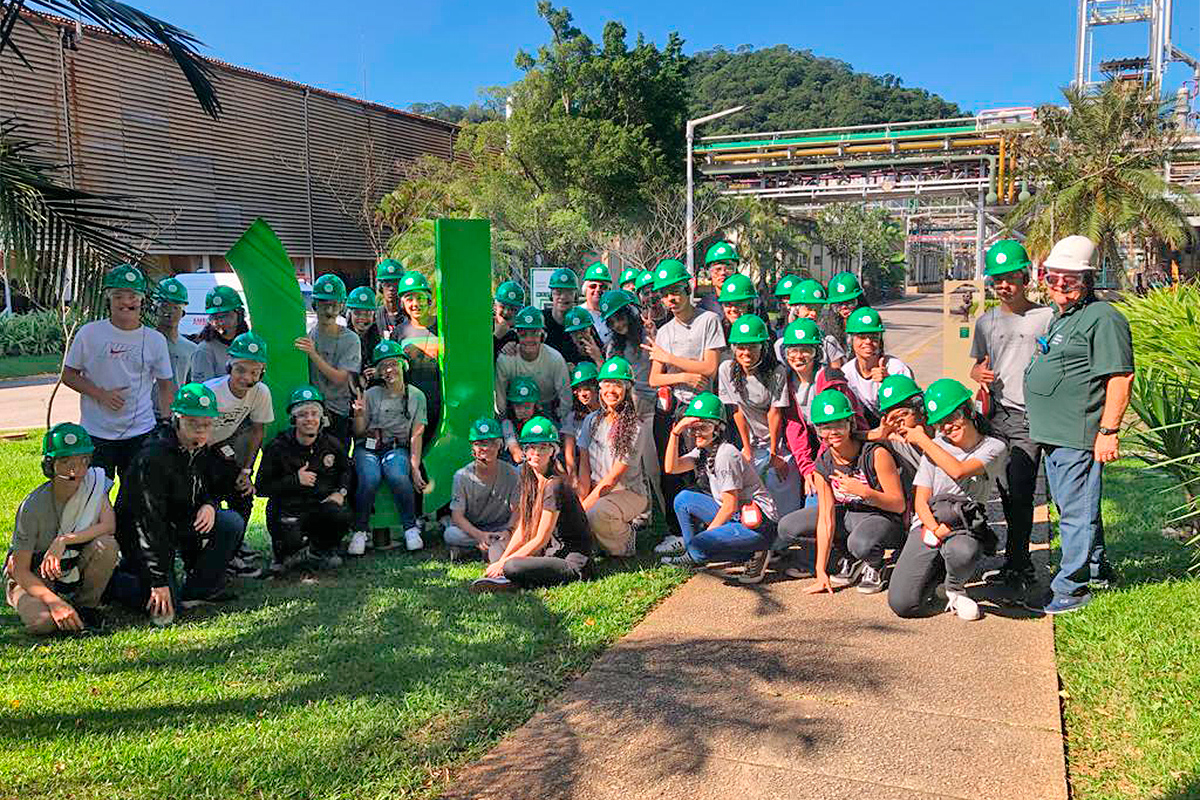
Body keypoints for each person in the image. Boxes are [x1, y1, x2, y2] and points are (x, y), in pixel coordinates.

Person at [1023, 235, 1132, 615]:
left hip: (1077, 434)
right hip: (1055, 434)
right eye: (1052, 278)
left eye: (1068, 280)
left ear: (1088, 280)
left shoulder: (1103, 318)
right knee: (1078, 506)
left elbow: (1120, 377)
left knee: (1075, 514)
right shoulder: (1064, 316)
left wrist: (1108, 432)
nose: (1059, 286)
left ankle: (1071, 587)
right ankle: (1097, 570)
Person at [110, 383, 244, 626]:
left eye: (206, 424)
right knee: (166, 613)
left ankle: (200, 589)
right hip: (143, 535)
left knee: (230, 522)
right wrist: (158, 580)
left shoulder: (201, 449)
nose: (200, 431)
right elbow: (148, 524)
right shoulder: (154, 457)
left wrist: (209, 504)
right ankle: (114, 581)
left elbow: (212, 485)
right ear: (177, 419)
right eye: (193, 423)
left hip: (177, 523)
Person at [970, 240, 1055, 594]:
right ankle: (1008, 557)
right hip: (996, 416)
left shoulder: (1047, 318)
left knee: (1020, 492)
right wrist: (977, 374)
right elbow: (978, 365)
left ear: (1025, 278)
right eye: (997, 280)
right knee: (998, 490)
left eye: (1011, 278)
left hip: (1030, 416)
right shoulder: (985, 322)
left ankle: (1019, 563)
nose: (1004, 286)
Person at [887, 379, 1008, 621]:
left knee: (963, 551)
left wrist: (923, 440)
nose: (947, 426)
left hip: (963, 524)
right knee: (902, 604)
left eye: (953, 416)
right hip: (930, 522)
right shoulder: (936, 445)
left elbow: (958, 470)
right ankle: (937, 576)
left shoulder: (994, 446)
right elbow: (921, 500)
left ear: (968, 410)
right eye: (940, 422)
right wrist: (934, 528)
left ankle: (954, 587)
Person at [777, 390, 906, 594]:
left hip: (883, 518)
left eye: (839, 424)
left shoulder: (875, 454)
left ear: (850, 423)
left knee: (860, 544)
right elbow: (825, 519)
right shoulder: (823, 463)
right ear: (817, 431)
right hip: (850, 515)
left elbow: (898, 504)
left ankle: (875, 564)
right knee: (788, 527)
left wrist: (864, 492)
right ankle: (850, 557)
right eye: (825, 427)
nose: (833, 432)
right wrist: (820, 571)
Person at [62, 264, 174, 481]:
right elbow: (68, 375)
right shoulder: (89, 333)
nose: (126, 302)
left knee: (138, 494)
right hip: (96, 432)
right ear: (108, 299)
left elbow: (165, 385)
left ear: (142, 300)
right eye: (118, 296)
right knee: (95, 492)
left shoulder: (155, 340)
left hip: (141, 432)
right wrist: (101, 394)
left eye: (132, 296)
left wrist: (167, 422)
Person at [645, 259, 727, 554]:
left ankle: (708, 527)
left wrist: (670, 359)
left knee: (703, 470)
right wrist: (683, 376)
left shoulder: (709, 320)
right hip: (675, 408)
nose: (671, 298)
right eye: (665, 294)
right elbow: (654, 378)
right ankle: (676, 530)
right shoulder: (665, 331)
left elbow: (710, 367)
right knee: (671, 471)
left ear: (687, 288)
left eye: (676, 291)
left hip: (705, 410)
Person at [4, 424, 117, 635]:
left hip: (72, 563)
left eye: (84, 460)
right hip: (33, 574)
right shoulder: (32, 507)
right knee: (42, 624)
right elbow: (19, 570)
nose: (77, 470)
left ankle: (85, 606)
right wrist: (54, 602)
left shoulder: (93, 486)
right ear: (50, 465)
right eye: (66, 462)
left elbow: (109, 526)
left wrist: (63, 540)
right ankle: (59, 605)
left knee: (107, 545)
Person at [660, 392, 781, 584]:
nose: (697, 433)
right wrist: (675, 433)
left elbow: (730, 506)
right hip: (736, 516)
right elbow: (671, 468)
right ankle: (694, 555)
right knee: (683, 499)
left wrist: (708, 535)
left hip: (758, 524)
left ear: (718, 429)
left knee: (701, 546)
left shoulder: (726, 454)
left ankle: (756, 552)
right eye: (693, 428)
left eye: (704, 427)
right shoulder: (704, 451)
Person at [472, 417, 593, 592]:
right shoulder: (529, 479)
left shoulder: (555, 485)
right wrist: (502, 559)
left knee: (512, 565)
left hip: (569, 560)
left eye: (543, 447)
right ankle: (507, 578)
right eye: (531, 447)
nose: (536, 452)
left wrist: (504, 563)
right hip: (548, 552)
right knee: (497, 547)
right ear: (524, 451)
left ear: (553, 451)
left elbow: (541, 538)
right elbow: (523, 528)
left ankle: (510, 578)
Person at [255, 386, 354, 574]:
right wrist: (295, 480)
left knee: (340, 513)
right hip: (288, 509)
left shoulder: (331, 444)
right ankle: (288, 553)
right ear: (294, 419)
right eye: (302, 415)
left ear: (321, 418)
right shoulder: (277, 447)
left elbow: (347, 470)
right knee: (290, 545)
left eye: (314, 414)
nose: (309, 419)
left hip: (319, 506)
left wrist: (341, 492)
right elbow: (260, 487)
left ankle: (320, 550)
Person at [201, 331, 272, 578]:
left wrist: (246, 470)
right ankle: (205, 554)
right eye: (241, 370)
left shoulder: (261, 392)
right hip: (196, 451)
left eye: (254, 372)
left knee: (243, 494)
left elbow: (257, 431)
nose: (247, 378)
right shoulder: (210, 391)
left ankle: (232, 551)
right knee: (207, 497)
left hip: (220, 448)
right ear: (230, 364)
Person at [719, 314, 805, 516]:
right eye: (741, 347)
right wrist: (747, 448)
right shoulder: (726, 370)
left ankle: (785, 525)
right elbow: (738, 410)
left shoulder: (776, 371)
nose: (746, 353)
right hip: (750, 439)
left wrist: (775, 453)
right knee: (746, 483)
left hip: (778, 438)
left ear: (763, 347)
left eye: (752, 347)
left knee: (781, 477)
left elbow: (775, 412)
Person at [775, 319, 870, 500]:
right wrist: (806, 468)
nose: (798, 356)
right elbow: (795, 427)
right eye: (792, 350)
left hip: (845, 441)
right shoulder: (788, 382)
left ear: (817, 353)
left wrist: (818, 468)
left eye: (806, 350)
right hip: (818, 442)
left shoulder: (830, 380)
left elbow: (837, 428)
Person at [350, 340, 428, 554]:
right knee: (369, 478)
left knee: (398, 476)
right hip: (368, 448)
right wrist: (358, 415)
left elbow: (417, 434)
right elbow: (359, 432)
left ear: (403, 364)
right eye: (383, 366)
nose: (388, 370)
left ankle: (410, 527)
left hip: (396, 447)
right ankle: (360, 530)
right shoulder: (371, 394)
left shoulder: (417, 396)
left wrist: (414, 467)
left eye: (393, 364)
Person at [577, 357, 652, 557]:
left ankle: (625, 542)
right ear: (600, 388)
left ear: (627, 389)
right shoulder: (590, 420)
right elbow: (584, 466)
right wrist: (580, 501)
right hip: (597, 491)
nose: (611, 390)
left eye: (617, 385)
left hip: (628, 493)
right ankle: (597, 540)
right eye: (607, 384)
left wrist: (582, 511)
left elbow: (613, 478)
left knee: (597, 513)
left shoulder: (635, 427)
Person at [601, 289, 663, 522]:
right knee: (631, 468)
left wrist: (655, 336)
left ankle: (664, 517)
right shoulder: (613, 347)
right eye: (612, 321)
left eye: (621, 317)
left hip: (652, 407)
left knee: (653, 467)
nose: (618, 324)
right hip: (627, 411)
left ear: (630, 312)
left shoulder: (648, 335)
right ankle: (642, 515)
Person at [295, 274, 360, 450]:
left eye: (334, 305)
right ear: (314, 305)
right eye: (324, 304)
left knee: (336, 460)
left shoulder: (350, 339)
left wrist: (313, 354)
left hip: (337, 412)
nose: (329, 310)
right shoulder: (307, 335)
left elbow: (341, 379)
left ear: (342, 306)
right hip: (310, 411)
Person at [443, 418, 519, 562]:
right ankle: (490, 546)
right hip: (474, 528)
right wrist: (480, 535)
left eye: (490, 443)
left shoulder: (512, 473)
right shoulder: (461, 476)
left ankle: (473, 549)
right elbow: (457, 516)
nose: (485, 448)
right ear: (472, 447)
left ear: (499, 445)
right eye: (479, 444)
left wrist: (508, 530)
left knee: (523, 530)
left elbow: (518, 510)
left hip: (502, 527)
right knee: (451, 534)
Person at [495, 306, 572, 424]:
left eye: (534, 333)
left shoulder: (555, 358)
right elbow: (500, 399)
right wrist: (505, 423)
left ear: (542, 334)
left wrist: (562, 421)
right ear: (517, 334)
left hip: (547, 407)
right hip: (516, 408)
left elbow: (565, 396)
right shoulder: (506, 359)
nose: (529, 339)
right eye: (523, 334)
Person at [392, 270, 442, 449]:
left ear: (429, 299)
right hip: (411, 406)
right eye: (409, 299)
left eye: (419, 298)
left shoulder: (443, 327)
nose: (415, 304)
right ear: (403, 303)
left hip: (440, 405)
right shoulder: (399, 333)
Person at [841, 307, 914, 426]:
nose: (868, 341)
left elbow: (912, 410)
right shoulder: (846, 372)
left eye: (873, 336)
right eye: (862, 336)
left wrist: (890, 382)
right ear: (851, 340)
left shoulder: (896, 368)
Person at [154, 276, 197, 415]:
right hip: (146, 415)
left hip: (176, 414)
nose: (170, 312)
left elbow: (191, 387)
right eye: (165, 306)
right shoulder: (145, 342)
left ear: (183, 312)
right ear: (155, 308)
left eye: (176, 307)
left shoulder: (191, 349)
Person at [190, 285, 250, 384]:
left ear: (239, 314)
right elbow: (202, 388)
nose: (220, 322)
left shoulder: (248, 346)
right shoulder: (205, 350)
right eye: (215, 317)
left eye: (226, 315)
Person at [780, 279, 844, 369]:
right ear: (796, 310)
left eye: (818, 309)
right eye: (809, 308)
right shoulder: (781, 344)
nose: (814, 313)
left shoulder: (828, 342)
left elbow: (837, 373)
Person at [562, 362, 601, 481]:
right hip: (586, 469)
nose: (583, 394)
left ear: (597, 387)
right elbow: (569, 452)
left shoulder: (609, 412)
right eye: (578, 390)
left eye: (587, 389)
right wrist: (573, 476)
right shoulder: (573, 417)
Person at [542, 268, 587, 366]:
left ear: (575, 296)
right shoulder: (541, 319)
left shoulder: (583, 321)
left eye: (569, 292)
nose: (563, 297)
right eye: (558, 292)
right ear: (551, 295)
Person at [345, 285, 383, 392]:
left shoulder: (379, 343)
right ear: (350, 315)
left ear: (374, 316)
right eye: (357, 313)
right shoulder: (342, 341)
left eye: (367, 314)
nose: (362, 318)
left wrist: (378, 372)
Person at [499, 377, 542, 464]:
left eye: (527, 406)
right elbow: (517, 457)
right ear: (511, 406)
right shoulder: (507, 424)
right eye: (518, 406)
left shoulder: (543, 422)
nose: (523, 410)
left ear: (536, 405)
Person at [825, 271, 867, 352]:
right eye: (838, 304)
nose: (844, 307)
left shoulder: (869, 324)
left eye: (849, 303)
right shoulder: (828, 328)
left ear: (859, 301)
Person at [698, 241, 740, 315]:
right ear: (709, 273)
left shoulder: (749, 301)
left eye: (728, 268)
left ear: (736, 271)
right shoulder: (704, 306)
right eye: (717, 269)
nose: (723, 273)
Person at [581, 261, 613, 348]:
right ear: (585, 289)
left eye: (603, 287)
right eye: (593, 286)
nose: (598, 290)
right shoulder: (578, 313)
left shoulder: (615, 314)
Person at [373, 258, 405, 337]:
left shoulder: (409, 315)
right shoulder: (376, 316)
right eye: (387, 284)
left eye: (395, 284)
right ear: (380, 287)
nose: (391, 288)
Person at [494, 280, 526, 358]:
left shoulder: (524, 331)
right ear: (495, 306)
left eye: (513, 309)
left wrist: (517, 345)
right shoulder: (484, 327)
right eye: (502, 307)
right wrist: (496, 337)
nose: (506, 312)